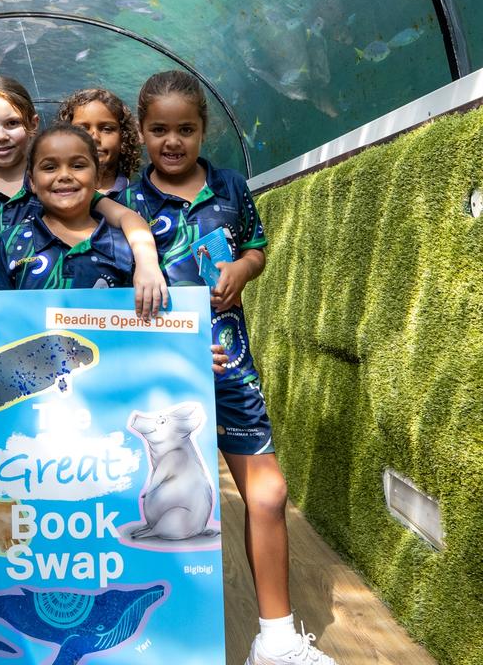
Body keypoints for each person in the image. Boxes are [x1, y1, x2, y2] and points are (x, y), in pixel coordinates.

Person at [119, 70, 339, 665]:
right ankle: (149, 640)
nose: (172, 141)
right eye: (159, 129)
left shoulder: (232, 187)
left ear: (203, 130)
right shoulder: (125, 206)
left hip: (231, 369)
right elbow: (111, 302)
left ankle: (276, 639)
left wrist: (246, 268)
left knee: (268, 496)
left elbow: (254, 247)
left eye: (185, 129)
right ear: (140, 132)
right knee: (148, 504)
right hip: (165, 387)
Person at [0, 77, 166, 372]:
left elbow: (126, 217)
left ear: (32, 124)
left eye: (12, 123)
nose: (2, 135)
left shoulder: (57, 189)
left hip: (47, 328)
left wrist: (147, 263)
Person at [0, 122, 134, 290]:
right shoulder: (12, 242)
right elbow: (2, 311)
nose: (64, 175)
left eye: (78, 166)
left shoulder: (124, 245)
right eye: (50, 167)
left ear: (97, 177)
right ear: (32, 182)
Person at [56, 87, 141, 196]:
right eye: (82, 129)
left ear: (124, 137)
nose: (94, 137)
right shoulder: (54, 194)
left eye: (107, 129)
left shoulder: (139, 199)